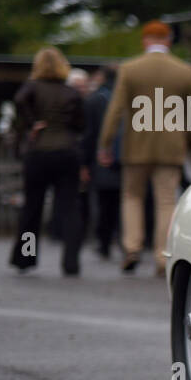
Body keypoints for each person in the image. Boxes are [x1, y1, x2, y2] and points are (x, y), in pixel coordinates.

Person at [98, 20, 191, 276]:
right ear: (168, 40)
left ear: (145, 41)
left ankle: (132, 247)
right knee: (166, 200)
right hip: (171, 147)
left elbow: (116, 109)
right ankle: (162, 257)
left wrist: (106, 142)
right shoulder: (185, 71)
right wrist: (190, 142)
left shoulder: (130, 69)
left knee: (132, 197)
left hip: (136, 146)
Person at [8, 47, 87, 275]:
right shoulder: (71, 92)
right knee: (70, 208)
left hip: (38, 153)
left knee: (32, 207)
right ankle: (70, 262)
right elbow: (81, 125)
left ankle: (26, 257)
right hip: (67, 152)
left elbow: (19, 100)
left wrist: (34, 122)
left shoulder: (31, 88)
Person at [82, 65, 121, 258]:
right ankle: (128, 243)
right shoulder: (130, 97)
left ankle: (104, 242)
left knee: (103, 203)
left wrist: (85, 163)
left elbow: (88, 135)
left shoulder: (95, 100)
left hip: (102, 159)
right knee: (127, 202)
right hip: (127, 159)